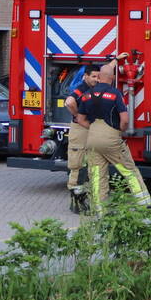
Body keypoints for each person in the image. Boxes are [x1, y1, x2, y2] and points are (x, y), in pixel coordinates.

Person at [77, 65, 151, 214]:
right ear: (112, 78)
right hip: (111, 138)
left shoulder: (87, 95)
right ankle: (144, 203)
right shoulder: (115, 94)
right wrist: (119, 130)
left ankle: (99, 209)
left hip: (92, 139)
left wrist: (93, 130)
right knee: (129, 170)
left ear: (99, 77)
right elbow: (124, 119)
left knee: (97, 175)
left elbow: (80, 119)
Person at [63, 64, 101, 212]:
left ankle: (83, 199)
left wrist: (114, 61)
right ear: (85, 76)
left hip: (88, 129)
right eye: (93, 76)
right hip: (79, 131)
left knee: (88, 165)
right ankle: (76, 203)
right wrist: (77, 115)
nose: (96, 79)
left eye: (98, 76)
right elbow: (69, 102)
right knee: (77, 165)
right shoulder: (81, 88)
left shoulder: (92, 87)